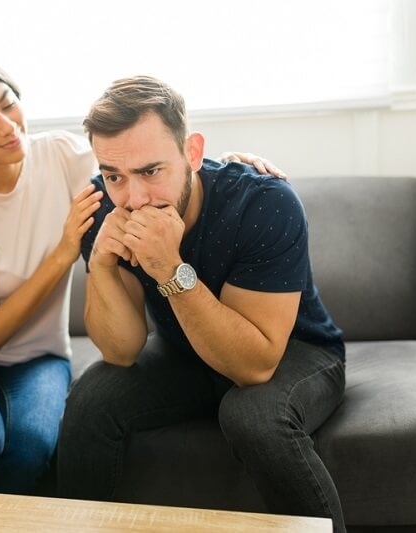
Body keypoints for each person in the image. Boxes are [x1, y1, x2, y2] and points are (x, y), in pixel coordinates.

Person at [0, 49, 286, 494]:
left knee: (31, 444)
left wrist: (219, 167)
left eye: (7, 103)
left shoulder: (61, 156)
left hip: (40, 355)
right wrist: (66, 251)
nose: (8, 126)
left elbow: (141, 165)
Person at [56, 75, 347, 532]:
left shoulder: (265, 204)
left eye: (151, 171)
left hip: (296, 350)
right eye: (115, 175)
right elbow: (121, 350)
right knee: (91, 400)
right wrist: (104, 265)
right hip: (185, 352)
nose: (134, 199)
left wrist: (170, 269)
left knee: (251, 414)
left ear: (192, 152)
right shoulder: (106, 208)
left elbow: (254, 366)